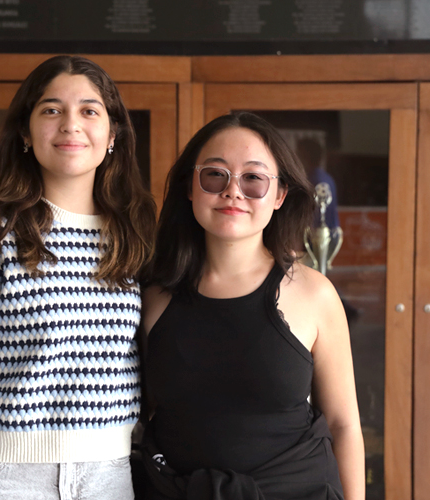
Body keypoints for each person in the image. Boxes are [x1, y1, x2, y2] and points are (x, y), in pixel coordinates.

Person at [0, 55, 156, 500]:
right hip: (6, 479)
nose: (71, 124)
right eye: (51, 109)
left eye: (89, 110)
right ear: (26, 133)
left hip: (110, 477)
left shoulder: (134, 233)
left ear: (113, 134)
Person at [140, 112, 364, 500]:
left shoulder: (314, 294)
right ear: (190, 187)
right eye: (215, 175)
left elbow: (343, 424)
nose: (233, 191)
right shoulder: (152, 297)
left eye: (253, 178)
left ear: (279, 196)